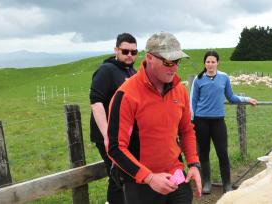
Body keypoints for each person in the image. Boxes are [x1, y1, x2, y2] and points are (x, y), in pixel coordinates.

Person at [107, 32, 201, 204]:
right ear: (149, 58)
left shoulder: (179, 90)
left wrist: (194, 164)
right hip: (141, 183)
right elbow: (115, 148)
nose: (174, 67)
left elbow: (186, 130)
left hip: (175, 176)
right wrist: (149, 178)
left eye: (177, 61)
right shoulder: (126, 94)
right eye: (167, 62)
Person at [190, 50, 258, 193]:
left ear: (217, 63)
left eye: (213, 61)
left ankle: (227, 184)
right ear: (205, 63)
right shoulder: (198, 79)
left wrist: (247, 99)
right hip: (201, 121)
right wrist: (192, 120)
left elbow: (231, 97)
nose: (210, 64)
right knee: (203, 152)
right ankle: (207, 182)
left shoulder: (224, 77)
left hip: (218, 122)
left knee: (222, 153)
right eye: (207, 62)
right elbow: (193, 101)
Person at [89, 32, 138, 204]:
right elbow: (96, 103)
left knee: (126, 175)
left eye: (134, 52)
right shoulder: (106, 70)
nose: (130, 55)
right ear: (116, 50)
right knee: (118, 176)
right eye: (125, 51)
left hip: (126, 135)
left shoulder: (133, 72)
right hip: (109, 136)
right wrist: (107, 136)